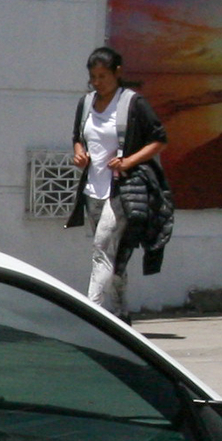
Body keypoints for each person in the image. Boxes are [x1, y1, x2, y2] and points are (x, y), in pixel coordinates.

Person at [64, 46, 168, 316]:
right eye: (93, 77)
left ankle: (93, 314)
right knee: (115, 257)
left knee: (101, 249)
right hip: (92, 190)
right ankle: (122, 316)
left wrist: (129, 162)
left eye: (102, 76)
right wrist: (79, 154)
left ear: (117, 73)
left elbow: (159, 139)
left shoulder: (133, 103)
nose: (97, 83)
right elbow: (78, 136)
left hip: (122, 190)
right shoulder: (86, 103)